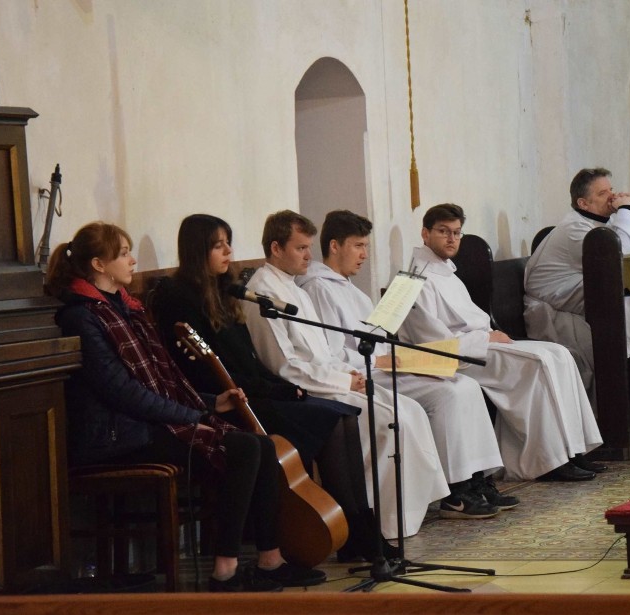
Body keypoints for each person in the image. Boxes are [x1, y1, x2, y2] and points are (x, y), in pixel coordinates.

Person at [46, 221, 325, 592]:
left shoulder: (126, 309)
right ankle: (224, 570)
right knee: (242, 446)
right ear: (98, 264)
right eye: (125, 253)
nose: (133, 261)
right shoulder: (82, 317)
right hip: (117, 436)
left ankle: (270, 559)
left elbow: (166, 380)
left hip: (148, 424)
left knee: (260, 443)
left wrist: (212, 403)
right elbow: (123, 393)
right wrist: (194, 416)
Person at [149, 214, 387, 562]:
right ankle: (354, 532)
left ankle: (360, 524)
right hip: (226, 401)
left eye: (229, 242)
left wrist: (283, 388)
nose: (229, 251)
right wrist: (279, 389)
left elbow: (248, 359)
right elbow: (214, 371)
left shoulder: (225, 290)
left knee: (344, 413)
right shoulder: (181, 298)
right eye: (219, 245)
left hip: (255, 390)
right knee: (332, 419)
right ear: (197, 250)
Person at [243, 210, 450, 539]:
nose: (310, 256)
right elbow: (284, 365)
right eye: (300, 248)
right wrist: (343, 380)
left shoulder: (293, 287)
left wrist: (350, 373)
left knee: (408, 410)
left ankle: (405, 514)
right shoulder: (263, 293)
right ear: (276, 248)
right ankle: (378, 520)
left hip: (329, 378)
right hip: (306, 392)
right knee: (391, 422)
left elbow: (322, 351)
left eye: (309, 247)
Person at [296, 210, 517, 519]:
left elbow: (371, 335)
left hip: (386, 363)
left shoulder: (348, 287)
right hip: (365, 374)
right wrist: (384, 358)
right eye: (359, 246)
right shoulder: (319, 288)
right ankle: (455, 492)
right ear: (335, 246)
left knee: (465, 383)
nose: (364, 255)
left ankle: (476, 479)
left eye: (366, 247)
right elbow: (334, 354)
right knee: (448, 395)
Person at [399, 204, 606, 482]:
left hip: (482, 345)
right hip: (460, 357)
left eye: (457, 233)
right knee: (540, 363)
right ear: (425, 234)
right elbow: (433, 343)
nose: (451, 239)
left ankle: (573, 450)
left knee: (561, 354)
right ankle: (547, 461)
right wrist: (484, 338)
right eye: (443, 232)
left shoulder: (445, 271)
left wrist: (487, 337)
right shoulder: (414, 278)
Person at [523, 168, 630, 395]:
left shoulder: (600, 225)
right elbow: (617, 259)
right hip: (554, 304)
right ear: (583, 203)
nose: (613, 197)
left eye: (612, 190)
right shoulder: (576, 228)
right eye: (603, 193)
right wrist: (625, 210)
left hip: (578, 297)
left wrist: (628, 212)